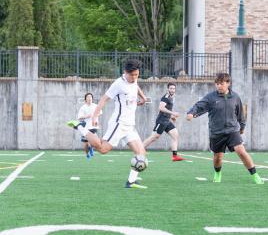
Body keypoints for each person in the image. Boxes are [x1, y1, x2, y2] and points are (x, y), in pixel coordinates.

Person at [67, 59, 148, 189]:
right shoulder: (118, 84)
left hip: (130, 125)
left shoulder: (134, 79)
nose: (134, 77)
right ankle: (80, 126)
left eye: (137, 75)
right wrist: (94, 116)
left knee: (141, 153)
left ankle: (131, 182)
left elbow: (136, 86)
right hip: (119, 124)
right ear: (125, 72)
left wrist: (143, 97)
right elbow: (104, 99)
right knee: (103, 149)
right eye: (132, 75)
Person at [186, 72, 264, 184]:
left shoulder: (235, 97)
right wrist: (191, 113)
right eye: (217, 84)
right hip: (216, 132)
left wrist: (242, 127)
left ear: (228, 83)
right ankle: (217, 173)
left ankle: (255, 175)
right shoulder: (210, 97)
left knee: (241, 152)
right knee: (218, 158)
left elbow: (240, 114)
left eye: (221, 83)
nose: (218, 86)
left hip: (232, 131)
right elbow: (199, 105)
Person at [143, 83, 186, 162]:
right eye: (171, 88)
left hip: (167, 120)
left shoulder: (171, 98)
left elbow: (166, 109)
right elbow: (161, 108)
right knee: (154, 137)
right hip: (161, 120)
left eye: (173, 88)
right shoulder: (166, 97)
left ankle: (175, 156)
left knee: (175, 135)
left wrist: (171, 117)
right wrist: (173, 113)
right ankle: (140, 149)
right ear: (168, 89)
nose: (172, 90)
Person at [77, 92, 100, 160]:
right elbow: (79, 118)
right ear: (85, 99)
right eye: (88, 97)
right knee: (86, 144)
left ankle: (91, 148)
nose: (89, 98)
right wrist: (87, 116)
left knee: (94, 141)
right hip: (85, 127)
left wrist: (95, 118)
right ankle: (87, 153)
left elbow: (100, 112)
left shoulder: (95, 106)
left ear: (92, 98)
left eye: (90, 97)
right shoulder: (83, 108)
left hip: (93, 126)